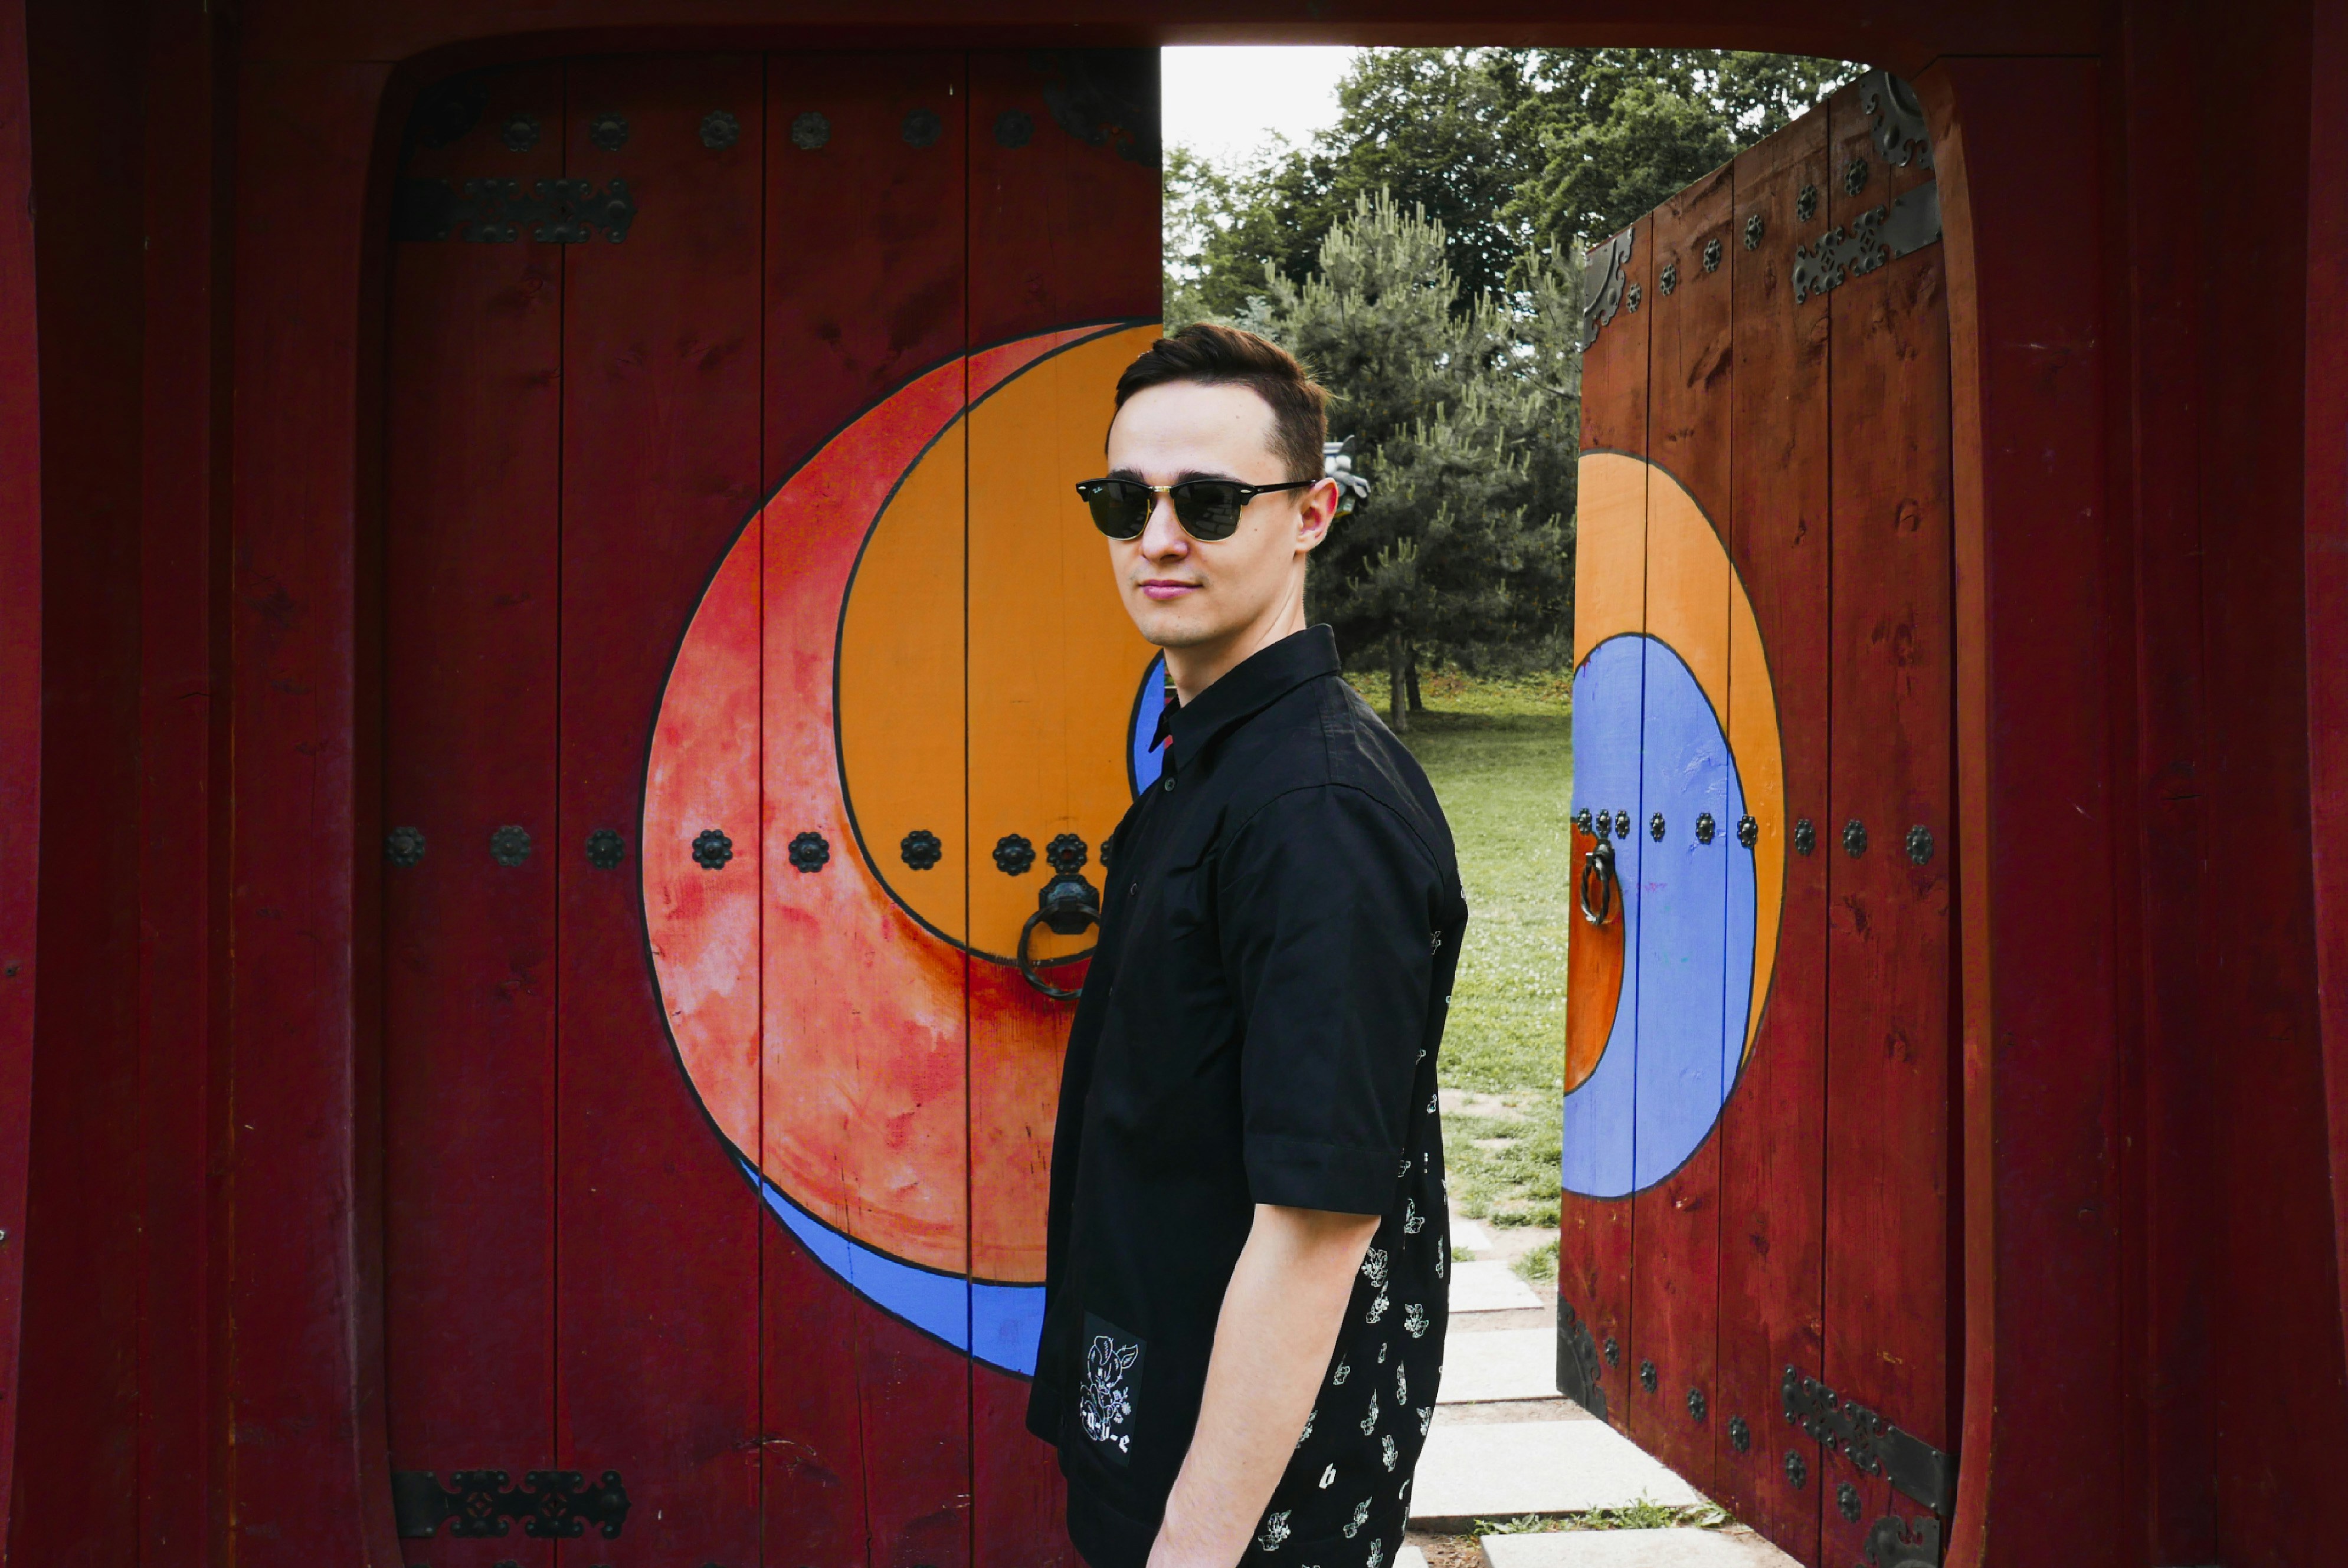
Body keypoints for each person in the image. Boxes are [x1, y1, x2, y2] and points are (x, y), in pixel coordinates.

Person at [1026, 323, 1469, 1568]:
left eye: (1210, 502)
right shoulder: (1216, 763)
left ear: (1311, 514)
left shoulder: (1316, 809)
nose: (1157, 538)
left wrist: (1196, 1549)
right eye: (1126, 499)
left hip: (1252, 1491)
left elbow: (1317, 1221)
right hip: (1161, 1394)